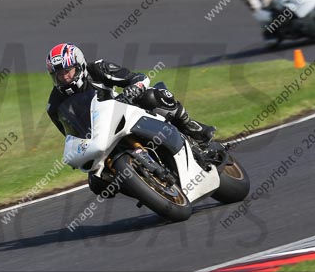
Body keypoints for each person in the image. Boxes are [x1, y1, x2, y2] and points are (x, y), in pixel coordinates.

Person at [45, 43, 218, 194]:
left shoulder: (97, 69)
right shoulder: (54, 105)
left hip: (124, 112)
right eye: (59, 74)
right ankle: (142, 188)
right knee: (97, 184)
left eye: (67, 71)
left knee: (152, 96)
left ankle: (193, 129)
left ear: (79, 65)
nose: (65, 77)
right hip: (100, 137)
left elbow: (137, 77)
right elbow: (70, 134)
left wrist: (134, 88)